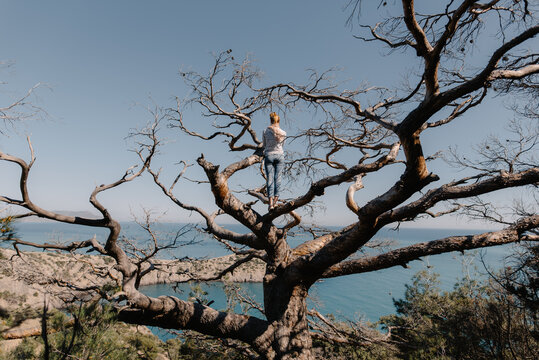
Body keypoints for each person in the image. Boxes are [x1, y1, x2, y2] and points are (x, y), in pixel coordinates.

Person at [262, 112, 286, 211]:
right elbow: (282, 145)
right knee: (278, 178)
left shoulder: (265, 131)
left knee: (270, 179)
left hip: (269, 155)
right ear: (278, 121)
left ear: (271, 120)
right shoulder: (283, 133)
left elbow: (264, 145)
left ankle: (270, 204)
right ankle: (276, 201)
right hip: (280, 155)